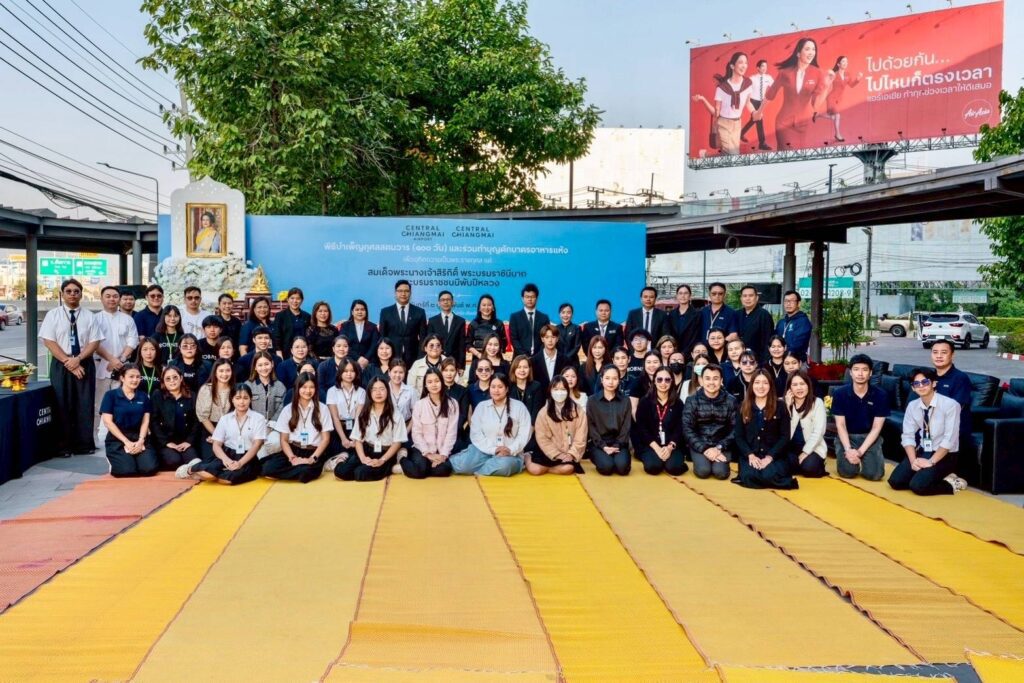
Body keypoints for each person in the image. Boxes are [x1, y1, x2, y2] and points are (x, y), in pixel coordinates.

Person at [40, 278, 103, 455]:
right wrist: (69, 362)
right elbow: (49, 341)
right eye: (68, 291)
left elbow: (95, 342)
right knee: (61, 403)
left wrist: (79, 359)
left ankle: (84, 445)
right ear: (62, 294)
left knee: (85, 404)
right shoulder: (53, 315)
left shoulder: (89, 316)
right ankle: (63, 446)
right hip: (61, 363)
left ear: (81, 294)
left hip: (84, 362)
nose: (73, 294)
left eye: (76, 291)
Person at [889, 368, 967, 496]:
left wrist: (930, 462)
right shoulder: (913, 406)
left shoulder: (951, 405)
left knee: (918, 486)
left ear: (934, 383)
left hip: (944, 454)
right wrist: (913, 461)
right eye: (916, 384)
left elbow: (949, 439)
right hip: (923, 450)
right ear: (913, 388)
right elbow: (907, 436)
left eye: (925, 382)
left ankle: (953, 483)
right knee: (895, 482)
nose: (921, 386)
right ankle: (927, 475)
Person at [178, 384, 265, 485]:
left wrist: (240, 463)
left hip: (248, 457)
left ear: (250, 399)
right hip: (227, 454)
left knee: (227, 480)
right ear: (232, 399)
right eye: (238, 398)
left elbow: (257, 445)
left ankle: (207, 473)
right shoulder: (225, 419)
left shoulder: (259, 418)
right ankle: (190, 469)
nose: (241, 402)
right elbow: (216, 445)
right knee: (208, 474)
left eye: (245, 398)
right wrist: (226, 460)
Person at [760, 36, 833, 151]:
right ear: (798, 53)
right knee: (785, 154)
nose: (811, 52)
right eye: (807, 49)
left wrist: (827, 86)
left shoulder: (818, 73)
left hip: (803, 125)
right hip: (784, 123)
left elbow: (815, 104)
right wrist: (759, 111)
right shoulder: (785, 72)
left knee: (799, 156)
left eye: (813, 49)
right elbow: (770, 94)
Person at [449, 373, 529, 476]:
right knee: (462, 466)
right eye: (493, 387)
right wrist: (494, 450)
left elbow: (524, 435)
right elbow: (476, 434)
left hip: (510, 454)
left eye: (500, 387)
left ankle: (479, 470)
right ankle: (487, 466)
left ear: (507, 389)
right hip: (484, 450)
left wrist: (510, 449)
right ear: (489, 388)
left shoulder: (519, 407)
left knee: (504, 466)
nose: (496, 390)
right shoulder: (482, 407)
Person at [262, 372, 333, 482]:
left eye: (311, 387)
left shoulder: (322, 409)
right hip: (293, 449)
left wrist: (312, 459)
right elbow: (284, 440)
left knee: (305, 473)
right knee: (267, 468)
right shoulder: (288, 409)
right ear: (297, 388)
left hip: (313, 451)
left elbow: (326, 439)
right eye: (304, 387)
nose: (308, 391)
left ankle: (295, 471)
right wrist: (292, 458)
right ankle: (296, 469)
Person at [334, 376, 406, 481]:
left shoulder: (395, 414)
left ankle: (393, 464)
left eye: (382, 389)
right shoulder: (364, 413)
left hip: (386, 452)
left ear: (387, 391)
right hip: (367, 449)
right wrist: (362, 458)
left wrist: (382, 460)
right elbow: (358, 439)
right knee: (340, 472)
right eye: (374, 389)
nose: (378, 393)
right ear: (369, 392)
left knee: (361, 473)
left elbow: (397, 443)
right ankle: (343, 458)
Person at [734, 369, 796, 489]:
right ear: (752, 385)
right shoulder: (743, 406)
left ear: (770, 385)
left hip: (774, 455)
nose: (761, 386)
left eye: (765, 383)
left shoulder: (780, 406)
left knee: (769, 475)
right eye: (757, 382)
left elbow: (785, 436)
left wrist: (770, 457)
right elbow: (739, 436)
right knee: (749, 476)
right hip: (751, 454)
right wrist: (750, 455)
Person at [93, 285, 139, 448]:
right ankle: (93, 437)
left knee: (122, 404)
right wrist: (111, 360)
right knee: (98, 404)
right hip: (101, 366)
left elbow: (133, 340)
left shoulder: (128, 319)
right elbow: (94, 342)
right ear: (101, 298)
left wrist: (121, 359)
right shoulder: (95, 319)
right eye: (108, 296)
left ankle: (121, 438)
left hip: (122, 367)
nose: (112, 299)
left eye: (115, 296)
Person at [832, 354, 890, 481]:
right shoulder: (839, 393)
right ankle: (844, 451)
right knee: (847, 472)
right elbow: (840, 425)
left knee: (874, 475)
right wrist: (848, 449)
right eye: (856, 369)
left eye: (864, 370)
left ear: (870, 373)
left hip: (869, 437)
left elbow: (876, 428)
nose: (860, 373)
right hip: (848, 436)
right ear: (850, 372)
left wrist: (859, 452)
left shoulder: (881, 395)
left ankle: (866, 458)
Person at [99, 363, 158, 477]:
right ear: (122, 378)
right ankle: (117, 460)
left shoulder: (143, 396)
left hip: (138, 436)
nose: (135, 380)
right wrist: (126, 442)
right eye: (131, 376)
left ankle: (135, 457)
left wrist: (141, 441)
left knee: (149, 469)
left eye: (138, 377)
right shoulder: (110, 395)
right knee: (127, 470)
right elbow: (108, 422)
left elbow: (145, 421)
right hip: (118, 438)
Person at [681, 363, 737, 480]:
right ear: (701, 381)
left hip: (722, 445)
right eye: (707, 378)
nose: (711, 382)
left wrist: (719, 447)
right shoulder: (692, 400)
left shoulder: (731, 401)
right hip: (700, 443)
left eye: (715, 378)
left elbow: (735, 429)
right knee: (703, 471)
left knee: (721, 473)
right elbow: (687, 428)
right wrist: (705, 448)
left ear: (721, 380)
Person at [632, 365, 687, 476]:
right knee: (653, 467)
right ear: (654, 381)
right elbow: (642, 428)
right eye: (659, 379)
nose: (663, 383)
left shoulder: (678, 403)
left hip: (671, 444)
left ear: (672, 382)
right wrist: (657, 448)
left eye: (667, 380)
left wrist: (670, 447)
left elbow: (680, 427)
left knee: (674, 468)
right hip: (651, 444)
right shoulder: (645, 402)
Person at [404, 368, 458, 478]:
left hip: (441, 450)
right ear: (425, 385)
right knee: (420, 471)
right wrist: (428, 454)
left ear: (442, 382)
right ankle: (402, 458)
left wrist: (443, 455)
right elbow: (416, 434)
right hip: (422, 449)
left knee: (444, 470)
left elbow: (451, 433)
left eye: (437, 381)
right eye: (429, 382)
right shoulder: (419, 405)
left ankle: (427, 467)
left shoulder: (452, 404)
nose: (434, 384)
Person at [528, 376, 587, 475]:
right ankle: (527, 456)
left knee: (568, 469)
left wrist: (571, 454)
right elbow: (542, 438)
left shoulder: (578, 410)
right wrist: (556, 454)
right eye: (556, 389)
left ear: (568, 391)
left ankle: (547, 469)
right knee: (535, 470)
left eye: (563, 389)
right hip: (548, 451)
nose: (559, 392)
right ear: (550, 391)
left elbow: (581, 436)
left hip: (568, 452)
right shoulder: (543, 412)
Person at [150, 365, 201, 470]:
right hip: (166, 442)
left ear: (181, 378)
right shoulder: (157, 395)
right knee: (174, 460)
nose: (172, 381)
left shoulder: (192, 395)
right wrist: (166, 443)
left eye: (175, 377)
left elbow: (197, 421)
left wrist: (189, 441)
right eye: (168, 379)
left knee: (194, 462)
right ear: (163, 381)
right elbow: (154, 422)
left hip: (186, 441)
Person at [931, 340, 975, 457]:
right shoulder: (929, 377)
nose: (939, 356)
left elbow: (954, 409)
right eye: (935, 352)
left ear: (952, 355)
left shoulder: (960, 378)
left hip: (951, 433)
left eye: (944, 352)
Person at [587, 365, 632, 476]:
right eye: (607, 378)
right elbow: (591, 427)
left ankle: (615, 459)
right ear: (602, 379)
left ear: (619, 380)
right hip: (599, 443)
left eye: (614, 378)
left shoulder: (625, 401)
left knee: (622, 468)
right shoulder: (592, 400)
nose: (611, 382)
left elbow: (626, 427)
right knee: (607, 468)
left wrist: (617, 445)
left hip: (619, 443)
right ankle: (600, 457)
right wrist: (603, 446)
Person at [710, 52, 758, 155]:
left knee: (731, 154)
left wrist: (754, 112)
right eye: (740, 62)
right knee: (733, 154)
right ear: (732, 66)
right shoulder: (722, 88)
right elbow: (717, 109)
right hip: (724, 123)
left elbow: (748, 103)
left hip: (737, 124)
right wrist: (715, 126)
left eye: (746, 63)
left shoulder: (748, 84)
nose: (744, 66)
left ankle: (706, 155)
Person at [785, 370, 827, 478]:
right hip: (791, 449)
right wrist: (787, 408)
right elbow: (783, 431)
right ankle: (798, 465)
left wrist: (805, 452)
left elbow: (819, 431)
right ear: (789, 388)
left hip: (813, 448)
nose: (799, 388)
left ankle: (814, 464)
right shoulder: (785, 403)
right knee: (784, 466)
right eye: (795, 385)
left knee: (809, 468)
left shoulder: (817, 402)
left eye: (802, 384)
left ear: (808, 385)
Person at [245, 351, 286, 459]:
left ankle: (262, 458)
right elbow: (244, 407)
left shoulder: (280, 386)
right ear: (255, 367)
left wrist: (271, 424)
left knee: (276, 442)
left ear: (272, 364)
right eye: (260, 365)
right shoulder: (248, 385)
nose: (264, 368)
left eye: (266, 364)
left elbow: (282, 407)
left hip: (273, 427)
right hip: (253, 426)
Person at [378, 279, 427, 367]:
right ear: (395, 293)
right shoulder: (385, 312)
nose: (403, 294)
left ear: (410, 293)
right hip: (391, 357)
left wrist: (420, 358)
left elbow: (423, 338)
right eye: (400, 291)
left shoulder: (420, 312)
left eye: (406, 291)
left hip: (413, 357)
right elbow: (382, 336)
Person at [326, 359, 366, 464]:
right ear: (340, 372)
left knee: (355, 455)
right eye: (346, 371)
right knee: (338, 452)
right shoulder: (332, 391)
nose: (349, 374)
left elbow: (358, 417)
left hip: (355, 427)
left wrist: (355, 437)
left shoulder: (361, 391)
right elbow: (335, 417)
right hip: (338, 429)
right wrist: (343, 439)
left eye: (352, 371)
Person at [195, 358, 235, 460]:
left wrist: (226, 437)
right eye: (221, 371)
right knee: (213, 459)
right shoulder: (206, 389)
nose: (224, 374)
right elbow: (203, 417)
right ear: (215, 373)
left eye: (228, 370)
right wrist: (217, 436)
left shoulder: (235, 389)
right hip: (210, 429)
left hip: (231, 431)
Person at [816, 55, 861, 142]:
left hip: (838, 100)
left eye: (846, 61)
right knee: (837, 116)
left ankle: (818, 115)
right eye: (843, 61)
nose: (845, 63)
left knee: (834, 118)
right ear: (838, 64)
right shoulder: (834, 74)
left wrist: (857, 80)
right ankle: (837, 134)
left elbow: (851, 85)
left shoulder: (847, 75)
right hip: (831, 98)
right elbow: (825, 84)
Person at [337, 299, 380, 370]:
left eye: (362, 309)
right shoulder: (345, 326)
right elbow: (343, 344)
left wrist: (366, 359)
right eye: (357, 310)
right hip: (349, 361)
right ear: (352, 312)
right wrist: (358, 358)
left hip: (369, 362)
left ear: (366, 312)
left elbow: (374, 345)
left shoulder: (373, 327)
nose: (360, 312)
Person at [740, 59, 774, 150]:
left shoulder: (768, 78)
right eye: (762, 66)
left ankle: (741, 133)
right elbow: (746, 90)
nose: (765, 68)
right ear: (758, 68)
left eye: (766, 66)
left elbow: (774, 87)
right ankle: (762, 143)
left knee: (754, 120)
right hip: (753, 101)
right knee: (759, 120)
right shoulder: (752, 78)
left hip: (761, 102)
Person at [509, 283, 550, 358]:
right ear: (522, 298)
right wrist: (525, 357)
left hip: (539, 358)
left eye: (532, 297)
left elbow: (546, 338)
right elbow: (514, 340)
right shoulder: (515, 317)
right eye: (527, 297)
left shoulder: (544, 318)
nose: (530, 299)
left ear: (537, 298)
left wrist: (536, 356)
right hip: (520, 358)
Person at [426, 290, 467, 365]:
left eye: (448, 299)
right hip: (437, 361)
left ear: (453, 302)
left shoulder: (460, 321)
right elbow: (429, 343)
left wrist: (461, 366)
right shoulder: (432, 321)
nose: (445, 302)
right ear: (439, 303)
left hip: (454, 362)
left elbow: (462, 346)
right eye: (443, 300)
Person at [737, 285, 774, 363]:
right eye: (744, 296)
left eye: (751, 295)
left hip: (757, 360)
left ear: (757, 298)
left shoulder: (764, 315)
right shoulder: (737, 314)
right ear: (741, 298)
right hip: (738, 359)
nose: (747, 298)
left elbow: (767, 340)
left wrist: (765, 362)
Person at [272, 287, 311, 360]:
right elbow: (276, 336)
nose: (295, 301)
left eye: (298, 298)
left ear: (302, 300)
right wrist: (279, 353)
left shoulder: (307, 316)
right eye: (292, 298)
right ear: (287, 299)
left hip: (303, 353)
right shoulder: (280, 316)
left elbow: (309, 337)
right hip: (286, 353)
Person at [441, 357, 471, 453]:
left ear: (456, 371)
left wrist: (452, 430)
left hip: (456, 431)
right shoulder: (437, 389)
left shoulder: (463, 391)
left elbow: (463, 414)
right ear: (441, 372)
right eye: (446, 370)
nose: (449, 374)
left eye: (452, 370)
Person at [531, 324, 573, 390]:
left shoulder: (565, 360)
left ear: (557, 339)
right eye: (547, 337)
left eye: (553, 337)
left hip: (560, 394)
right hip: (540, 395)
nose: (550, 340)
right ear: (542, 339)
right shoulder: (534, 360)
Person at [467, 294, 508, 362]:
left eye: (489, 305)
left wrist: (493, 353)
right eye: (484, 305)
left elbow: (504, 342)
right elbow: (468, 344)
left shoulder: (499, 324)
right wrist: (479, 355)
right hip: (478, 359)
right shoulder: (473, 324)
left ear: (493, 308)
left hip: (495, 359)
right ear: (479, 308)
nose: (486, 308)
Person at [776, 290, 812, 361]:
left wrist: (779, 350)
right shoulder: (781, 322)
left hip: (796, 362)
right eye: (786, 301)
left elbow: (797, 345)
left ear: (798, 303)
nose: (788, 304)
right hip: (780, 361)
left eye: (792, 301)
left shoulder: (803, 321)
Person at [509, 354, 546, 424]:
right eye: (519, 367)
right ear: (514, 369)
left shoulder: (536, 386)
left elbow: (536, 412)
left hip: (531, 426)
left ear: (529, 369)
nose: (522, 370)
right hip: (511, 425)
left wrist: (530, 429)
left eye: (525, 367)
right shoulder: (508, 386)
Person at [667, 284, 701, 355]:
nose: (683, 296)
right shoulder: (671, 314)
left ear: (690, 296)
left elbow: (696, 336)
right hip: (674, 353)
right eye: (680, 293)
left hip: (690, 353)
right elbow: (669, 334)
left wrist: (684, 353)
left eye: (686, 293)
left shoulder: (697, 314)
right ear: (677, 296)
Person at [630, 352, 663, 417]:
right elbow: (633, 408)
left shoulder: (666, 380)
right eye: (648, 362)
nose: (652, 365)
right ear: (644, 364)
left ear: (661, 364)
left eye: (655, 362)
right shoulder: (637, 382)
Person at [388, 361, 416, 431]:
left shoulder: (410, 390)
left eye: (401, 372)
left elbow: (416, 413)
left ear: (405, 373)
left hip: (406, 426)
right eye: (395, 372)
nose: (397, 375)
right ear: (389, 372)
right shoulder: (384, 389)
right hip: (387, 428)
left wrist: (407, 431)